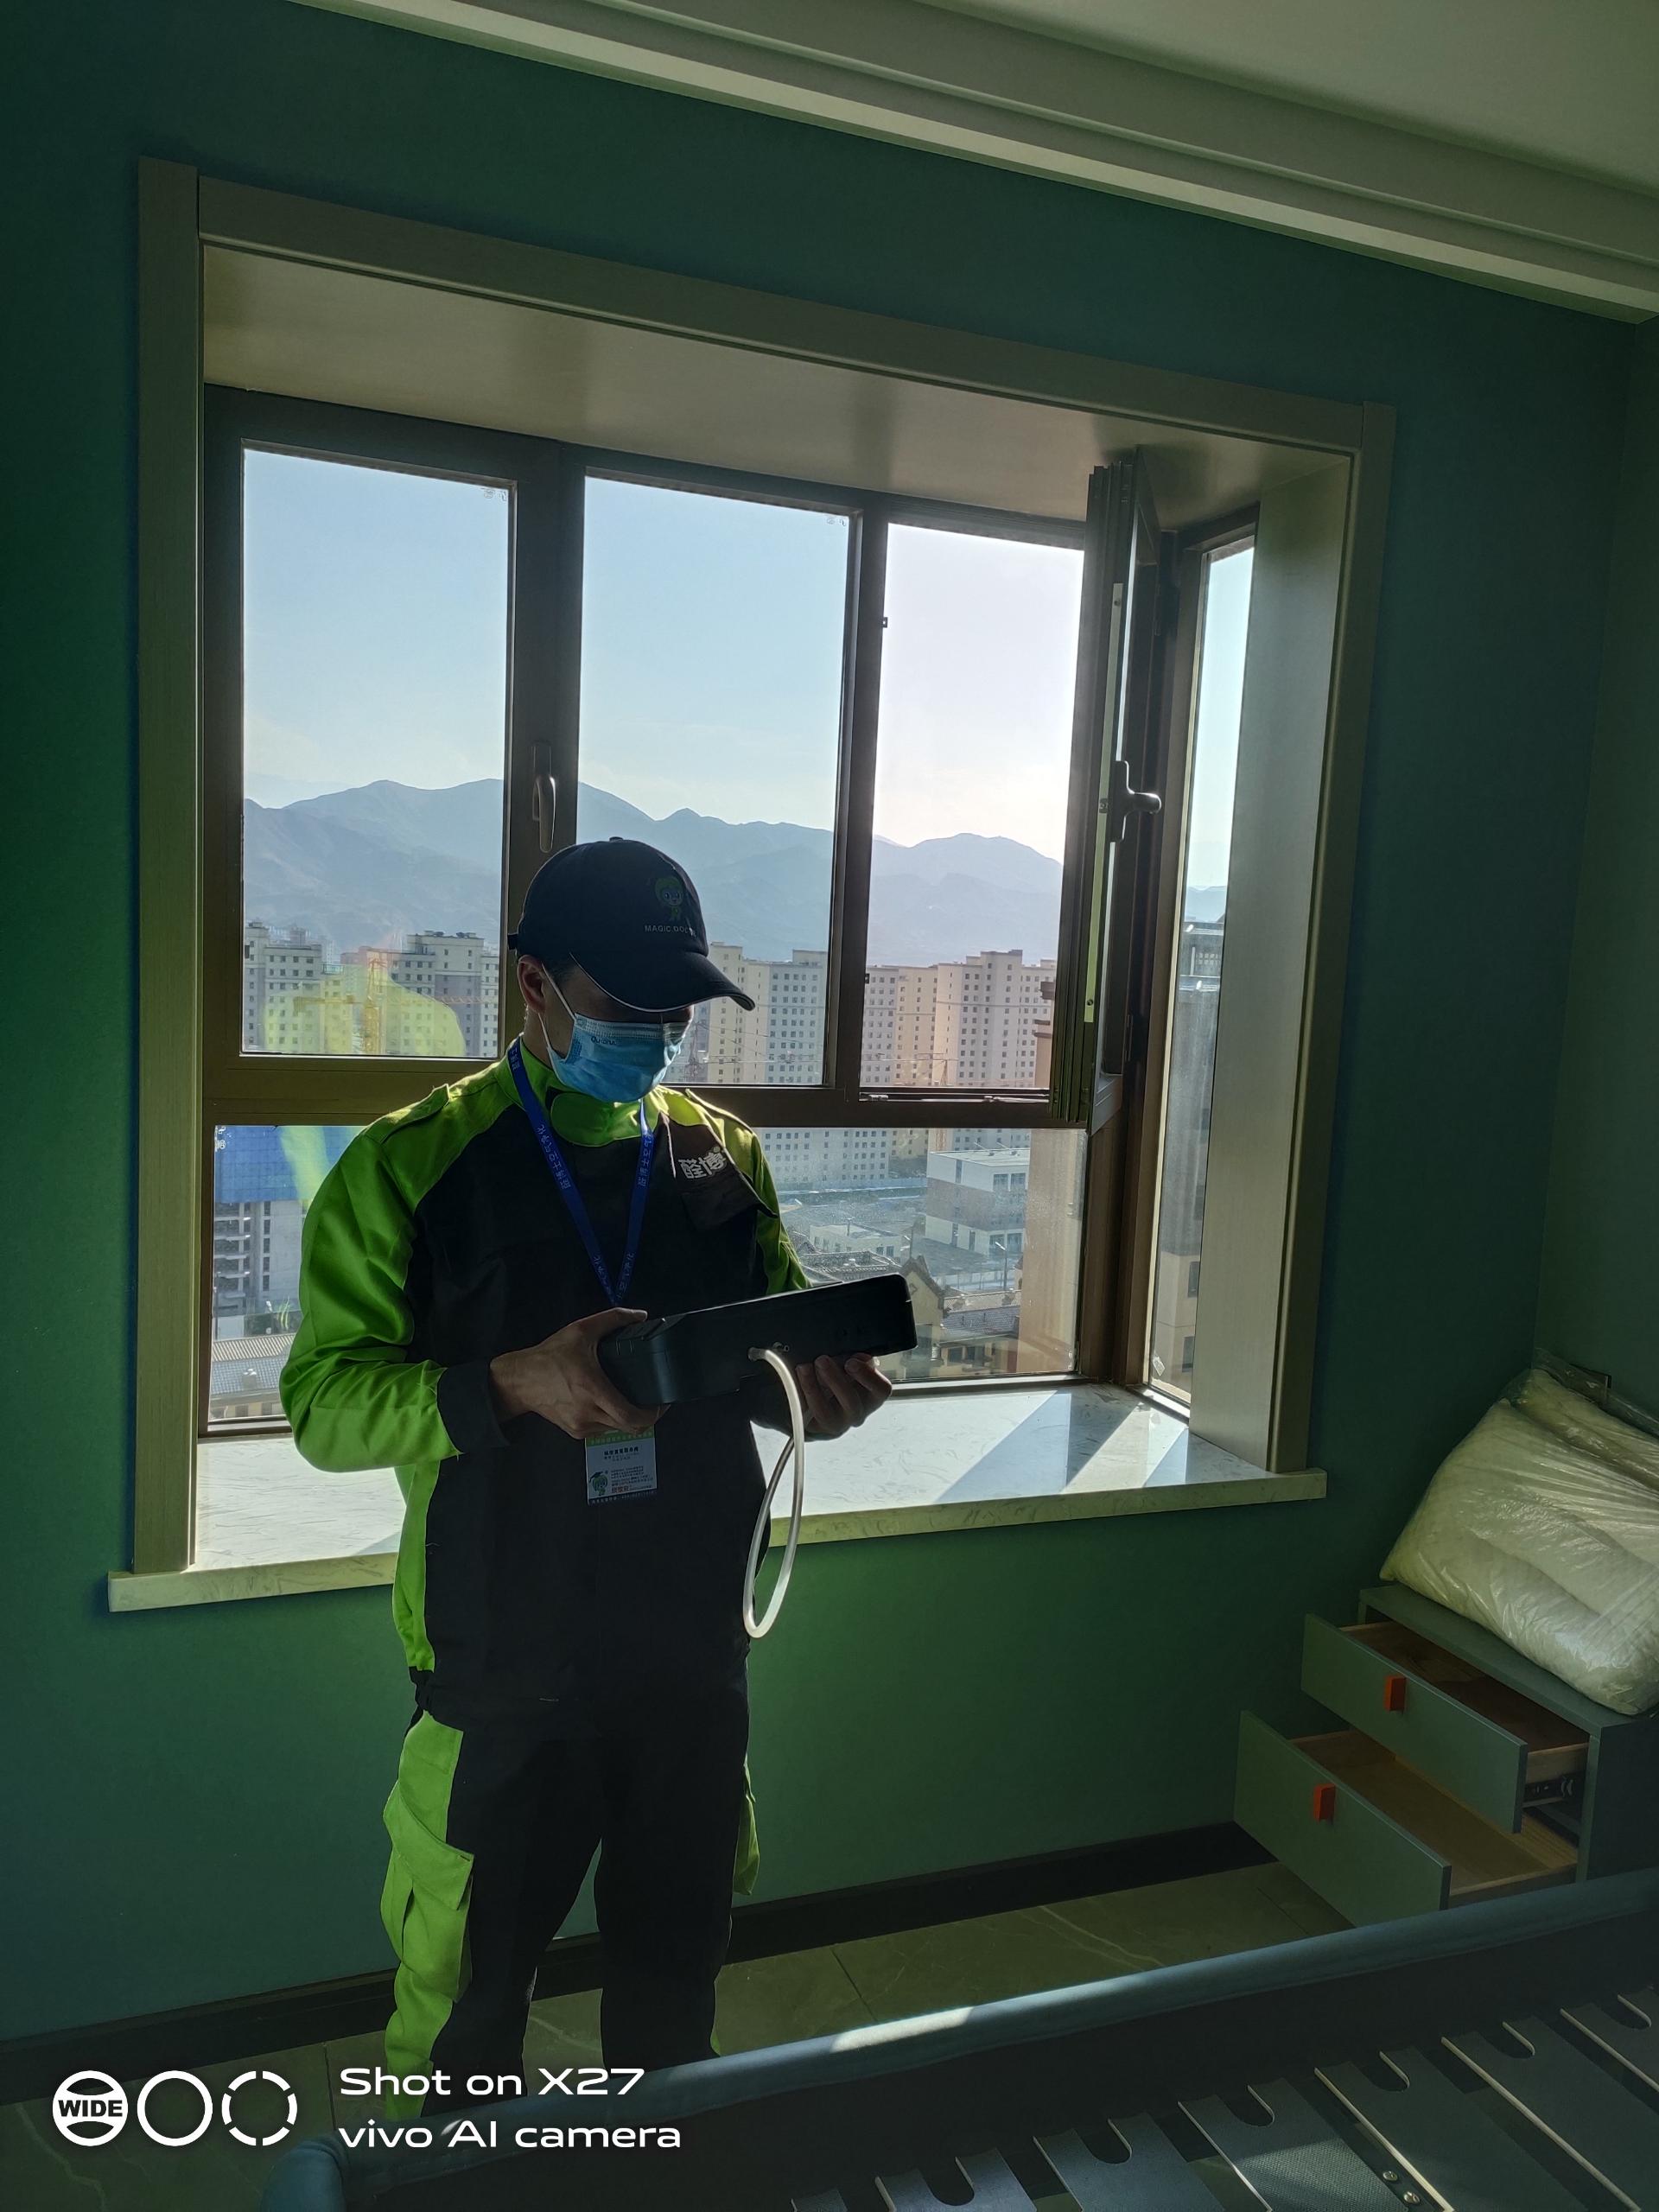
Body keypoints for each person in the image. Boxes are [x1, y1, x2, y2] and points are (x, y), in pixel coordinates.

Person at [281, 838, 891, 2115]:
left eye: (677, 1009)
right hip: (507, 1661)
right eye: (628, 1003)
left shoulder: (718, 1160)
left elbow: (763, 1359)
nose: (656, 1034)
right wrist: (510, 1383)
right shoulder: (410, 1169)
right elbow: (326, 1408)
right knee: (463, 2021)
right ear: (533, 985)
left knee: (674, 2004)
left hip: (688, 1659)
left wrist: (814, 1401)